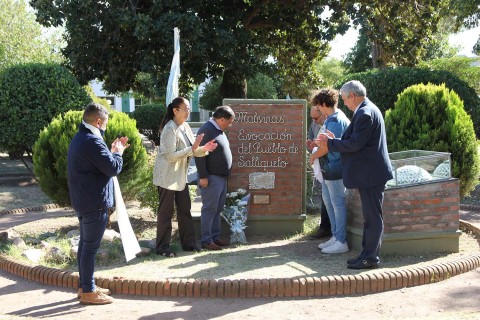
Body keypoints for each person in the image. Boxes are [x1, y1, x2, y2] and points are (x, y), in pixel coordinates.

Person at [316, 80, 393, 269]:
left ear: (352, 95)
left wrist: (331, 144)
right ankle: (366, 255)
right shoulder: (365, 110)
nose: (344, 103)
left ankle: (370, 258)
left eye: (344, 99)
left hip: (371, 175)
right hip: (370, 174)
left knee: (373, 217)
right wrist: (336, 140)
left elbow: (356, 144)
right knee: (370, 217)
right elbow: (354, 140)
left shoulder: (365, 112)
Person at [67, 102, 129, 305]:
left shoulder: (80, 137)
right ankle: (88, 291)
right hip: (94, 202)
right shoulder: (92, 140)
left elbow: (99, 163)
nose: (107, 126)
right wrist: (118, 152)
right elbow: (112, 168)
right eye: (106, 122)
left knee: (85, 245)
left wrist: (110, 150)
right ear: (99, 121)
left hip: (84, 200)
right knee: (90, 248)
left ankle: (85, 286)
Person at [152, 97, 217, 257]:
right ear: (175, 110)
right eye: (186, 109)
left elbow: (193, 149)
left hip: (180, 177)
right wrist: (193, 148)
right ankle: (162, 248)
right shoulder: (169, 129)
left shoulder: (186, 126)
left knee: (185, 210)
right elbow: (171, 156)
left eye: (189, 108)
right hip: (167, 177)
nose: (189, 111)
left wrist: (204, 149)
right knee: (166, 213)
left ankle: (188, 245)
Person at [310, 88, 350, 254]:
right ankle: (335, 236)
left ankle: (341, 240)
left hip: (335, 168)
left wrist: (313, 157)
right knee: (330, 202)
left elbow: (328, 147)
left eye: (318, 105)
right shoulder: (333, 118)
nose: (318, 109)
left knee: (337, 204)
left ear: (323, 104)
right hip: (330, 168)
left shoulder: (335, 120)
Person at [195, 106, 235, 250]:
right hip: (211, 178)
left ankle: (215, 238)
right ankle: (206, 240)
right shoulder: (206, 130)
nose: (230, 125)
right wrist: (203, 176)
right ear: (222, 119)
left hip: (221, 177)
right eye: (229, 122)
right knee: (209, 209)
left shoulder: (218, 130)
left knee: (217, 209)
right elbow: (199, 154)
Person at [306, 106, 332, 239]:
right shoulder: (315, 123)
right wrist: (311, 145)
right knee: (326, 199)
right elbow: (310, 138)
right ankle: (326, 228)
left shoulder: (333, 122)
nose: (314, 121)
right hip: (322, 167)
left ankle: (332, 232)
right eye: (312, 118)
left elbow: (331, 146)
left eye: (316, 118)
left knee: (333, 201)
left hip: (332, 168)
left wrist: (314, 155)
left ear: (323, 113)